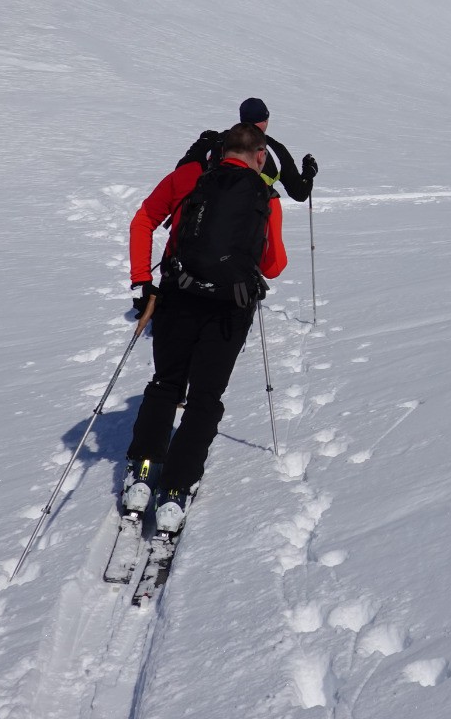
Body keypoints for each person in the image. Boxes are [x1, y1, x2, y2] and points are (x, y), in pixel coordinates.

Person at [124, 123, 288, 533]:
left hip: (179, 297)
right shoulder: (266, 196)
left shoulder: (189, 179)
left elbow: (149, 223)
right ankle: (176, 490)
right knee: (205, 397)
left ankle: (143, 472)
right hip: (230, 309)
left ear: (220, 150)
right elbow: (274, 265)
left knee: (165, 382)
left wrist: (144, 281)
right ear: (261, 156)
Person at [179, 97, 318, 202]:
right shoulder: (275, 150)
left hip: (207, 217)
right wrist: (308, 174)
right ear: (266, 120)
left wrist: (199, 144)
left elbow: (181, 170)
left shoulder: (216, 140)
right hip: (251, 223)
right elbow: (300, 193)